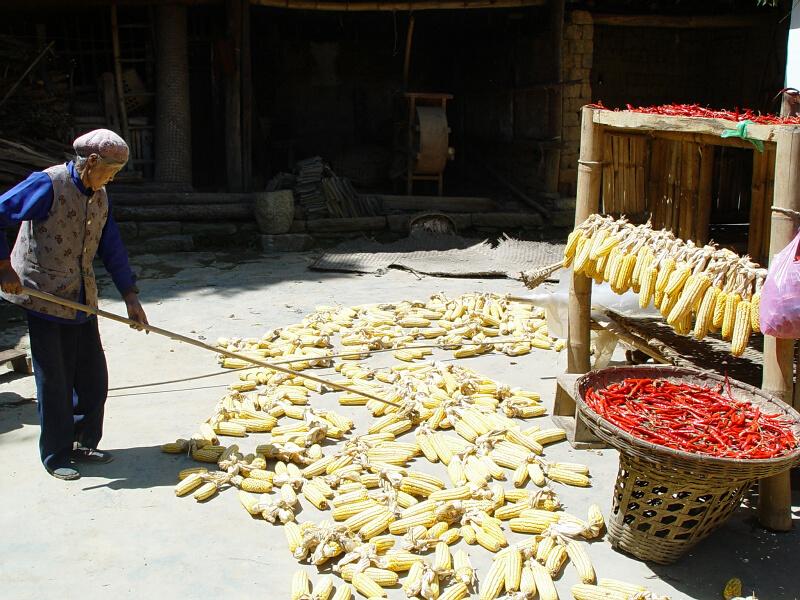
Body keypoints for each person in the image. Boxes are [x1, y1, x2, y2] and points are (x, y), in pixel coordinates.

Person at [0, 129, 148, 481]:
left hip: (81, 295)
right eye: (110, 171)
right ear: (92, 162)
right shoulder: (47, 184)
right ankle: (55, 453)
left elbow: (111, 246)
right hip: (42, 292)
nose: (112, 179)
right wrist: (4, 266)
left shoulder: (99, 194)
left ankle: (82, 440)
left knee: (93, 377)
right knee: (55, 378)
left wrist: (130, 295)